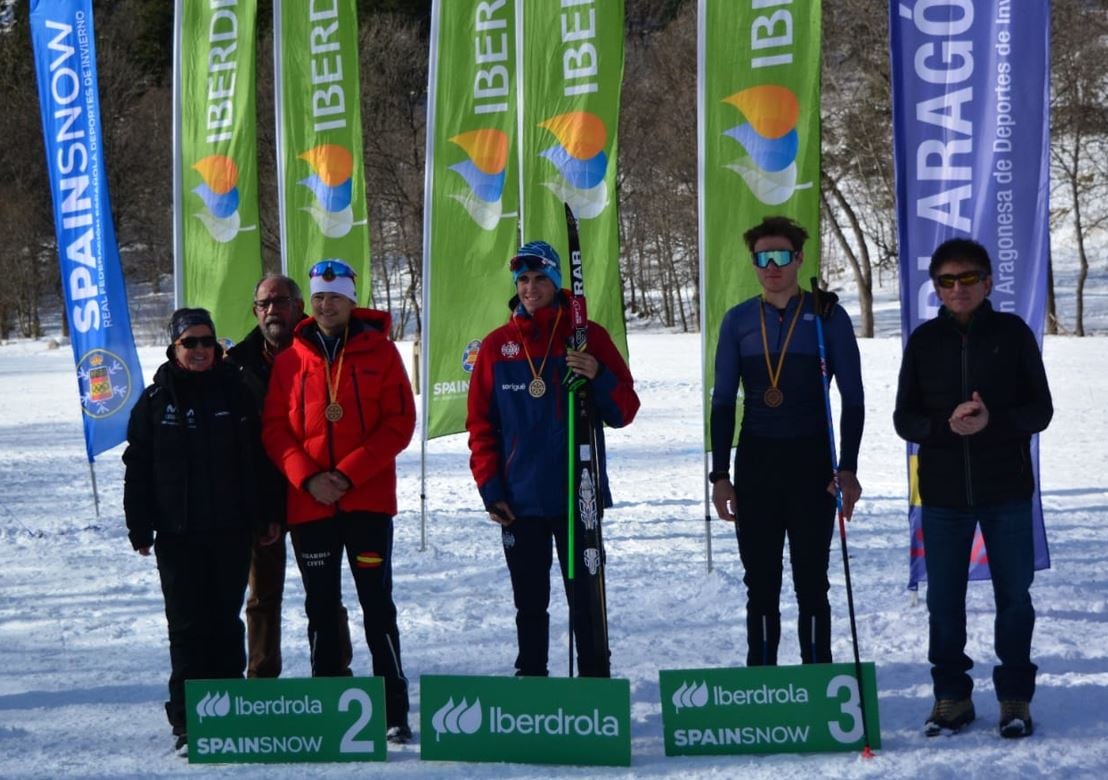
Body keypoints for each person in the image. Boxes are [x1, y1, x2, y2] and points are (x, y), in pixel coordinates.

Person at [894, 238, 1053, 739]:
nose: (957, 288)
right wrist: (947, 425)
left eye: (968, 279)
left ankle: (1014, 697)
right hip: (942, 495)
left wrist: (992, 421)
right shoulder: (923, 342)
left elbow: (1040, 410)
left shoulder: (1013, 333)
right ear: (936, 288)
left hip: (1005, 488)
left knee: (1014, 597)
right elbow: (905, 419)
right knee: (944, 602)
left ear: (988, 283)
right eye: (946, 280)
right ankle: (953, 697)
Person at [466, 240, 640, 678]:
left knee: (586, 599)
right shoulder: (497, 347)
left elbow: (625, 411)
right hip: (518, 501)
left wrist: (597, 375)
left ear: (558, 281)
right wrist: (490, 489)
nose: (530, 288)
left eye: (540, 278)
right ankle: (532, 686)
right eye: (523, 280)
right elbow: (481, 428)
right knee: (529, 603)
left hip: (576, 495)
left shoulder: (587, 336)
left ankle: (595, 685)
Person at [262, 259, 416, 744]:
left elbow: (399, 423)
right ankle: (329, 706)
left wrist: (347, 475)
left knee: (377, 605)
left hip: (366, 502)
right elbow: (274, 428)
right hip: (310, 507)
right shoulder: (290, 360)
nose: (327, 304)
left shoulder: (382, 353)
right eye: (320, 297)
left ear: (352, 300)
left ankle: (393, 708)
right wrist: (308, 479)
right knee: (321, 606)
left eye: (336, 296)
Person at [709, 216, 864, 667]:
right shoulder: (738, 320)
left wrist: (848, 467)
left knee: (812, 580)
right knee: (760, 581)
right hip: (757, 463)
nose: (772, 266)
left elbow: (852, 400)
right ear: (753, 263)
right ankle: (763, 679)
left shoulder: (827, 316)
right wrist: (720, 475)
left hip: (813, 463)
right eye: (762, 258)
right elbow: (722, 403)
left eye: (781, 256)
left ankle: (818, 676)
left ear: (798, 259)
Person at [123, 308, 279, 753]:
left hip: (230, 531)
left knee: (225, 623)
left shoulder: (237, 392)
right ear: (174, 348)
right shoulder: (155, 401)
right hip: (178, 534)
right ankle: (189, 719)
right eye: (189, 342)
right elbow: (138, 467)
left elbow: (259, 460)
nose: (199, 350)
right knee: (188, 627)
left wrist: (267, 513)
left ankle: (228, 710)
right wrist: (139, 525)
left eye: (207, 342)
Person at [226, 274, 353, 679]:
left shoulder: (320, 351)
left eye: (280, 302)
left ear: (300, 306)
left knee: (324, 593)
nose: (272, 311)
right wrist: (256, 505)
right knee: (261, 596)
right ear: (254, 312)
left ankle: (335, 677)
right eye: (263, 304)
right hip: (261, 498)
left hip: (314, 492)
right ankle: (262, 686)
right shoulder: (238, 364)